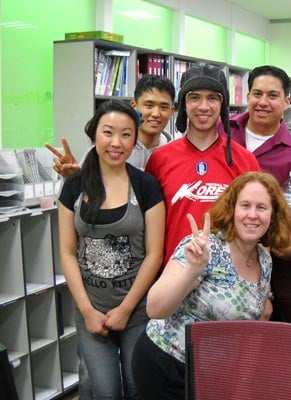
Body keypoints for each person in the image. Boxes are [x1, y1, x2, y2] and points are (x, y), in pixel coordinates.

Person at [131, 171, 291, 400]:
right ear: (232, 209)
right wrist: (192, 271)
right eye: (245, 205)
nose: (252, 215)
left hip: (212, 374)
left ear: (273, 215)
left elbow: (253, 328)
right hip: (168, 365)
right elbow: (155, 308)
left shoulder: (264, 262)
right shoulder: (205, 248)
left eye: (262, 208)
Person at [57, 99, 166, 399]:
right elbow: (67, 252)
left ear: (135, 139)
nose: (116, 143)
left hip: (137, 312)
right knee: (104, 392)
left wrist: (126, 309)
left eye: (126, 134)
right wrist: (87, 311)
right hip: (90, 310)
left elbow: (154, 253)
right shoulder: (74, 187)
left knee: (137, 389)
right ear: (94, 135)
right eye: (108, 132)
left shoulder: (146, 186)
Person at [145, 63, 260, 265]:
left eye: (213, 98)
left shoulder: (245, 160)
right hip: (172, 278)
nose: (204, 107)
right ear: (183, 103)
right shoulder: (160, 159)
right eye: (195, 97)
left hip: (228, 281)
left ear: (223, 105)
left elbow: (259, 227)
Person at [223, 65, 291, 258]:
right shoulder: (222, 131)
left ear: (286, 102)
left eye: (272, 96)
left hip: (261, 258)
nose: (263, 102)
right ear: (247, 97)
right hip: (211, 250)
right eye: (257, 94)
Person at [46, 73, 176, 175]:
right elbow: (75, 201)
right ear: (134, 106)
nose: (156, 113)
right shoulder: (107, 149)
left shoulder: (175, 154)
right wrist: (71, 178)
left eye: (164, 107)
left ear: (172, 111)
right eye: (149, 105)